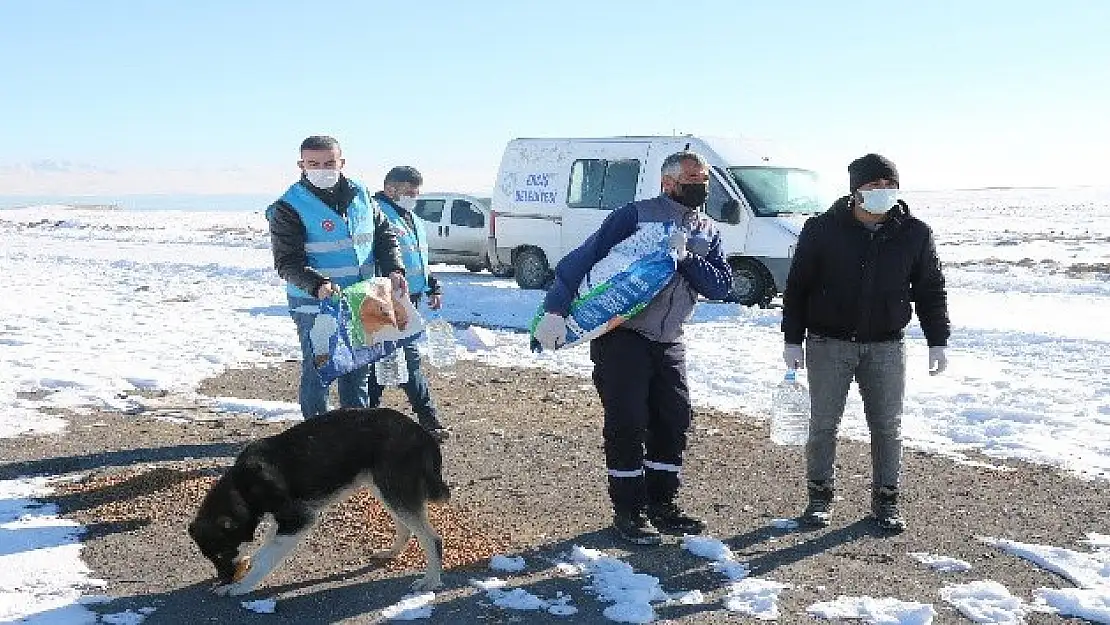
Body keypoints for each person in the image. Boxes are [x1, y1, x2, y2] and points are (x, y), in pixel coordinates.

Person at [533, 152, 733, 545]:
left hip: (669, 339)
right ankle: (628, 511)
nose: (702, 185)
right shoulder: (635, 215)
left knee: (673, 420)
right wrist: (555, 310)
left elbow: (720, 286)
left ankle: (662, 504)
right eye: (693, 178)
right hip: (623, 335)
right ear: (668, 182)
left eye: (705, 178)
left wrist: (686, 258)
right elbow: (582, 258)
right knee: (628, 421)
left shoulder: (707, 230)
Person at [780, 153, 950, 533]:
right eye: (874, 186)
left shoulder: (915, 233)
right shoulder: (822, 229)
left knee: (888, 427)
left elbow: (929, 289)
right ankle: (819, 498)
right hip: (828, 344)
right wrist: (792, 339)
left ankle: (886, 501)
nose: (883, 192)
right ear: (855, 190)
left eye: (889, 185)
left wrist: (938, 339)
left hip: (887, 347)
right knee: (823, 424)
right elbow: (798, 288)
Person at [266, 136, 407, 420]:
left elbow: (384, 236)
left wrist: (395, 268)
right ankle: (316, 436)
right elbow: (287, 262)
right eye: (313, 163)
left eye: (329, 163)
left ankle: (355, 433)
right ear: (301, 165)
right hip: (317, 305)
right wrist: (316, 284)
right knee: (320, 370)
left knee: (358, 370)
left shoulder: (362, 195)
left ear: (342, 162)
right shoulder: (289, 206)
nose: (323, 169)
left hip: (365, 298)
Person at [367, 166, 451, 443]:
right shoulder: (375, 214)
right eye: (409, 192)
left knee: (392, 359)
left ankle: (365, 419)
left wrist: (431, 285)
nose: (414, 197)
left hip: (409, 297)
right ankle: (427, 419)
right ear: (391, 189)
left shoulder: (410, 217)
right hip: (383, 297)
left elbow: (416, 260)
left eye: (417, 192)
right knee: (396, 358)